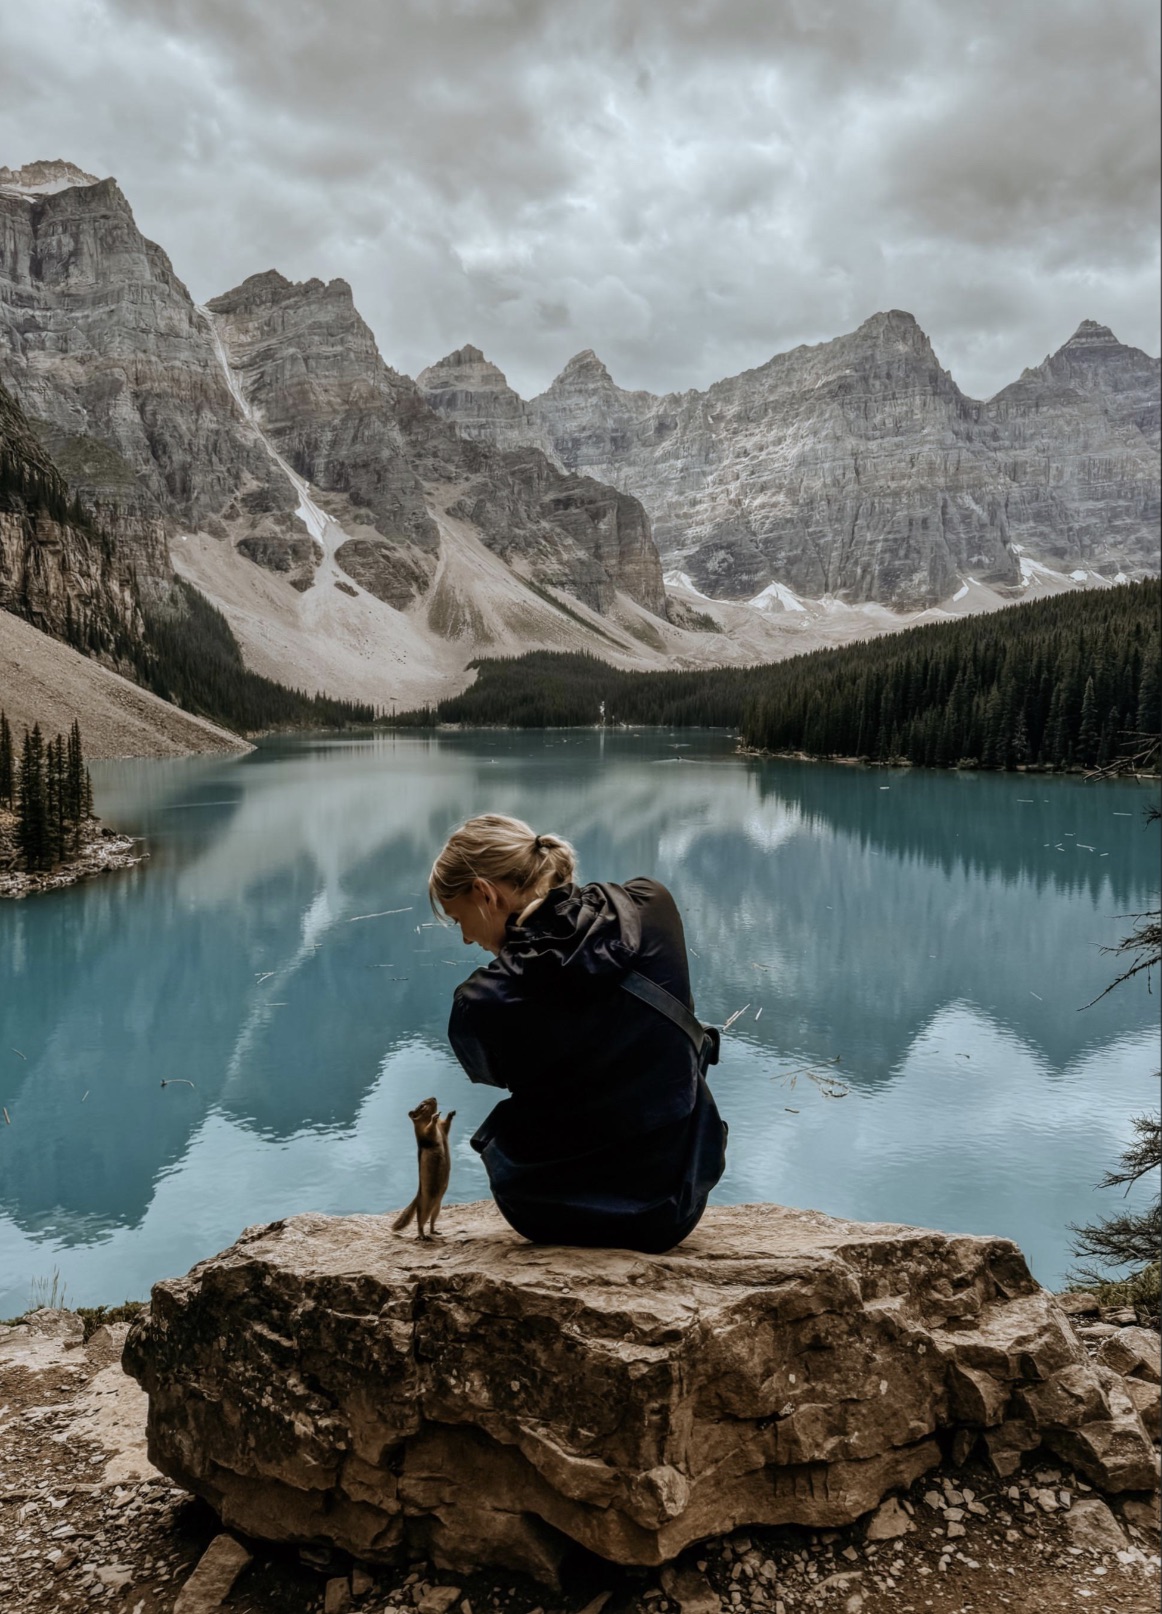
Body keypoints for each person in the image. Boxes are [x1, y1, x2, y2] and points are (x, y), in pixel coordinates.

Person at [429, 813, 727, 1253]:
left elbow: (497, 1073)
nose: (467, 939)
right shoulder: (652, 903)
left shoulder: (481, 1002)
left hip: (549, 1210)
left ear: (484, 894)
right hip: (674, 1203)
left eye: (459, 920)